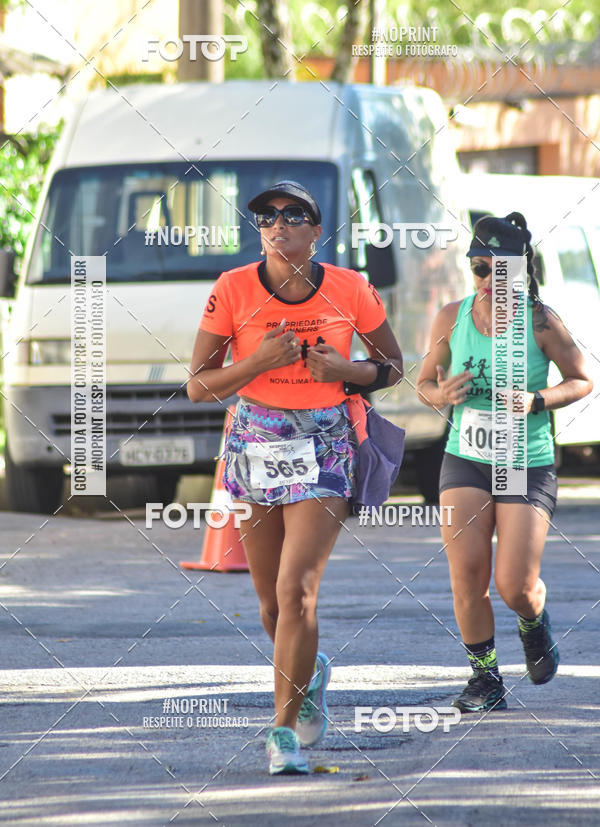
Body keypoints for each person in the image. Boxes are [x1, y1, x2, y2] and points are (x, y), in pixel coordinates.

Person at [187, 181, 403, 772]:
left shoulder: (350, 288)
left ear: (316, 229)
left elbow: (392, 368)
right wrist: (256, 361)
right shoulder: (233, 288)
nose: (277, 225)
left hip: (326, 441)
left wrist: (345, 369)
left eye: (292, 215)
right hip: (256, 436)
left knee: (297, 590)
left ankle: (282, 731)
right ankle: (311, 674)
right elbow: (198, 385)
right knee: (269, 606)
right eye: (266, 217)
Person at [416, 212, 592, 712]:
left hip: (524, 461)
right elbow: (425, 381)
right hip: (465, 458)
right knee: (467, 574)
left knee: (514, 585)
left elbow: (582, 379)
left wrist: (538, 399)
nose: (490, 280)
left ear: (523, 271)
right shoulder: (451, 316)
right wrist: (440, 392)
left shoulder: (541, 321)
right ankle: (486, 680)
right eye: (479, 268)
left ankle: (533, 620)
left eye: (502, 269)